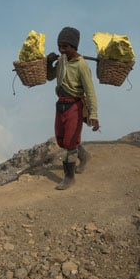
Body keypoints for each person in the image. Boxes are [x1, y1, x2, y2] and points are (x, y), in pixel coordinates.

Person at [46, 27, 100, 190]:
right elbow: (50, 77)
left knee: (70, 142)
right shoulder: (62, 60)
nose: (61, 50)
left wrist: (94, 114)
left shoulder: (81, 65)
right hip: (60, 104)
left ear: (74, 47)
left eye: (65, 47)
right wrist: (49, 63)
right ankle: (84, 156)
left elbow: (90, 91)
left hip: (74, 106)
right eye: (59, 46)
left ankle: (69, 178)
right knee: (62, 139)